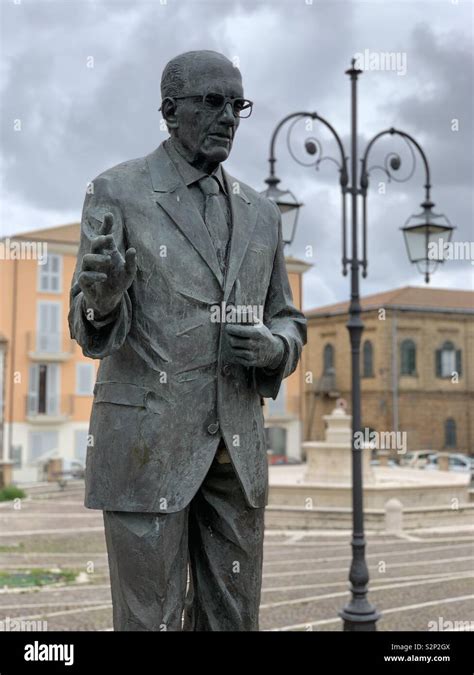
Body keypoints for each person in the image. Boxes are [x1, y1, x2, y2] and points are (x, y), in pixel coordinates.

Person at [69, 50, 306, 631]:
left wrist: (277, 347)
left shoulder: (262, 213)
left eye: (238, 105)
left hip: (237, 450)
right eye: (213, 102)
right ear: (170, 112)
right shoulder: (118, 190)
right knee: (149, 621)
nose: (229, 117)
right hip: (146, 445)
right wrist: (102, 301)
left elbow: (287, 317)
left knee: (235, 620)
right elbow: (84, 322)